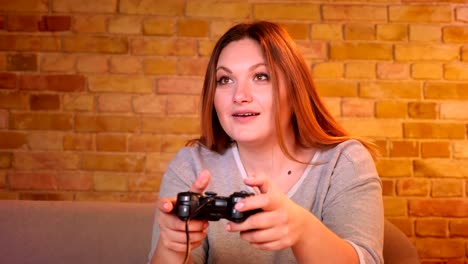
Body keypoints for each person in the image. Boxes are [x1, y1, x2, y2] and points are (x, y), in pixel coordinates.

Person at [148, 21, 383, 264]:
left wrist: (301, 229)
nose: (239, 96)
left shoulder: (344, 162)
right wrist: (173, 249)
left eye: (261, 76)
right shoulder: (191, 164)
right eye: (225, 80)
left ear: (294, 89)